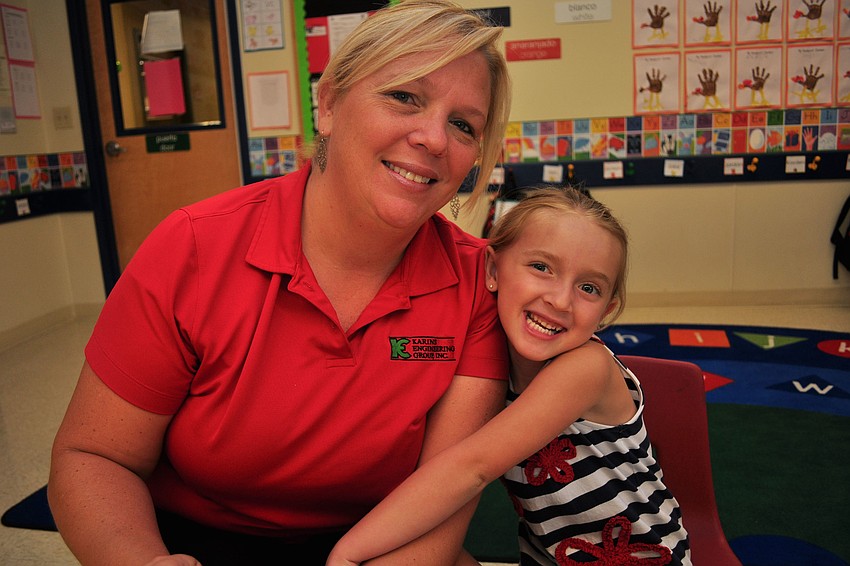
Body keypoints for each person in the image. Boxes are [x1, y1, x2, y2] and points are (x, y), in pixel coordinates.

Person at [47, 1, 512, 565]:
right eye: (405, 97)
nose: (435, 139)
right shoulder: (194, 247)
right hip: (190, 540)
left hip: (380, 541)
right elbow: (95, 456)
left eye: (464, 125)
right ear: (330, 103)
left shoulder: (477, 285)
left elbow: (446, 492)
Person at [326, 187, 691, 565]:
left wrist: (348, 552)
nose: (560, 300)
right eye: (542, 267)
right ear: (492, 270)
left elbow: (472, 468)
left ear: (607, 310)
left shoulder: (587, 367)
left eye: (588, 288)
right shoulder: (489, 364)